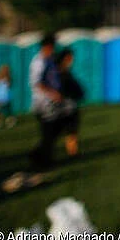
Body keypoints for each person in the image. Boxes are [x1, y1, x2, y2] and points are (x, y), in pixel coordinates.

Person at [28, 33, 64, 171]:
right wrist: (52, 93)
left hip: (51, 102)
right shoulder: (39, 61)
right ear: (47, 46)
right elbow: (37, 83)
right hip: (43, 103)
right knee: (48, 132)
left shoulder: (50, 60)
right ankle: (42, 160)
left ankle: (39, 155)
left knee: (54, 130)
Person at [55, 48, 84, 157]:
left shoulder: (66, 71)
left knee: (71, 131)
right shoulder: (60, 72)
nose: (72, 59)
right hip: (64, 106)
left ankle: (73, 152)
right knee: (66, 131)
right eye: (70, 57)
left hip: (70, 105)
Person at [0, 64, 16, 130]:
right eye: (3, 70)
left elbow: (9, 85)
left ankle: (10, 120)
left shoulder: (8, 78)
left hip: (6, 95)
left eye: (6, 70)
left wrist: (6, 80)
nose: (4, 71)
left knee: (8, 109)